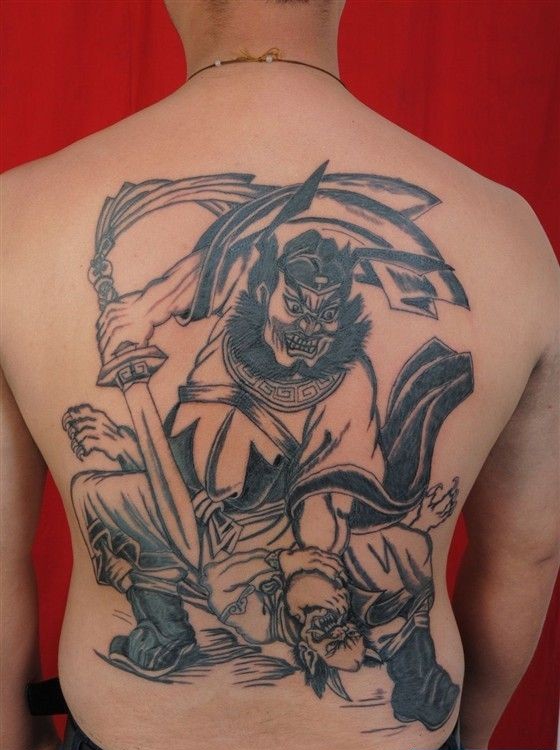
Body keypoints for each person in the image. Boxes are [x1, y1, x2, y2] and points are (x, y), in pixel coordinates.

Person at [0, 1, 558, 749]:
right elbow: (528, 553)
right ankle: (165, 626)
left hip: (310, 539)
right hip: (219, 534)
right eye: (295, 308)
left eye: (325, 317)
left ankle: (404, 655)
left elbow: (334, 492)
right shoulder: (509, 234)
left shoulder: (18, 218)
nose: (307, 332)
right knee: (108, 492)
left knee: (382, 550)